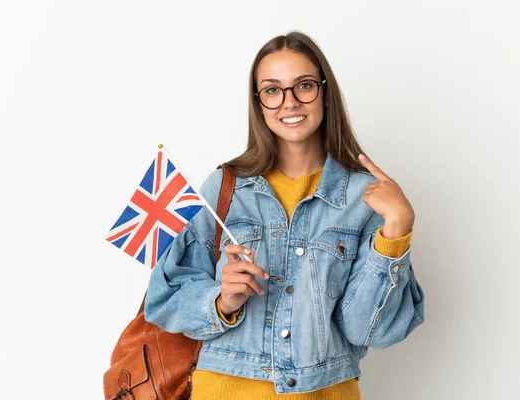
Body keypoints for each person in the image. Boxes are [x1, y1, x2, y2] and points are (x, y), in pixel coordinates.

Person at [144, 31, 425, 399]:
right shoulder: (224, 188)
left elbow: (369, 330)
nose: (289, 103)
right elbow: (164, 298)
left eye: (304, 86)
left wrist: (397, 230)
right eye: (273, 90)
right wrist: (221, 300)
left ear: (324, 92)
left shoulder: (367, 198)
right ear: (258, 102)